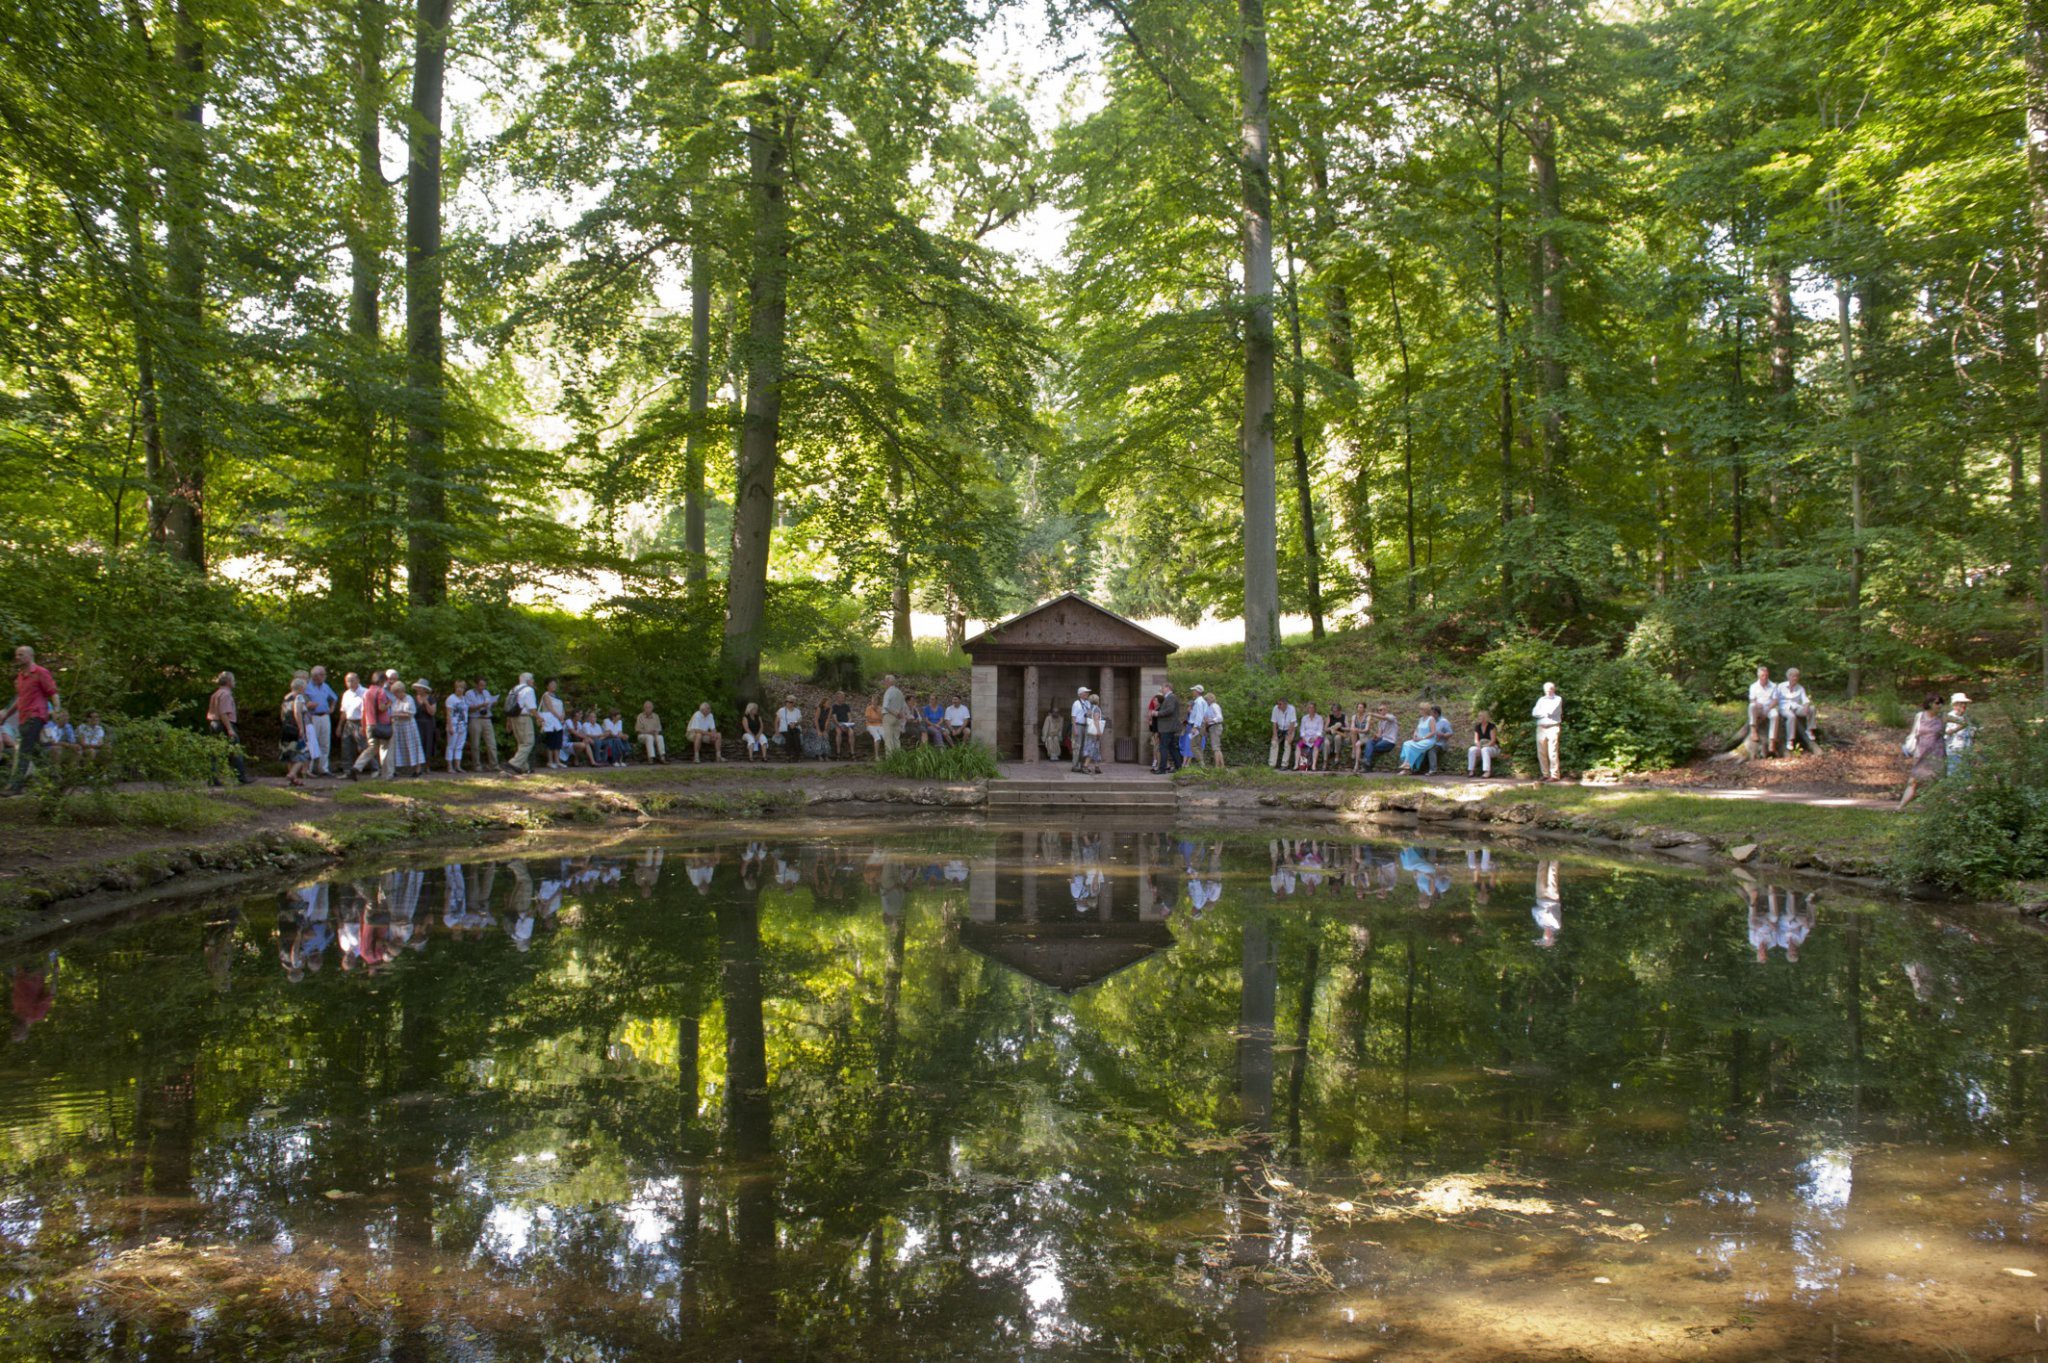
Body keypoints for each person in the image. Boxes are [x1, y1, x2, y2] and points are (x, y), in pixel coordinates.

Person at [2, 646, 57, 795]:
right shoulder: (20, 676)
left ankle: (15, 786)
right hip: (24, 718)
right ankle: (52, 782)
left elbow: (53, 692)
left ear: (30, 656)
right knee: (36, 752)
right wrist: (6, 715)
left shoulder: (40, 672)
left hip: (36, 716)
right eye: (16, 655)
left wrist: (57, 711)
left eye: (21, 654)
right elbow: (20, 700)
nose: (17, 657)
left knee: (23, 751)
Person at [1898, 692, 1947, 810]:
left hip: (1937, 755)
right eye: (1937, 703)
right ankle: (1900, 808)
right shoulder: (1920, 716)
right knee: (1913, 781)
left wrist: (1952, 731)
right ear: (1930, 703)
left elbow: (1963, 723)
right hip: (1921, 753)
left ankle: (1937, 810)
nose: (1940, 705)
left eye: (1941, 703)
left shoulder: (1943, 717)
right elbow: (1914, 733)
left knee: (1937, 783)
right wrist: (1914, 751)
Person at [206, 670, 252, 786]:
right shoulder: (226, 694)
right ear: (228, 681)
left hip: (214, 723)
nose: (234, 682)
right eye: (233, 680)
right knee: (235, 751)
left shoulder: (216, 693)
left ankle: (213, 778)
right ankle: (241, 778)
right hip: (224, 724)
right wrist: (230, 729)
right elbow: (223, 713)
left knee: (215, 752)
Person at [353, 670, 396, 779]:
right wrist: (389, 704)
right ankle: (387, 775)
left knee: (372, 748)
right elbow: (381, 708)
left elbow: (364, 711)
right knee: (385, 749)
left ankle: (357, 766)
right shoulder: (381, 692)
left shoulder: (366, 693)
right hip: (382, 725)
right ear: (382, 681)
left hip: (370, 724)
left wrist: (363, 726)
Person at [304, 665, 336, 776]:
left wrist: (331, 708)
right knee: (312, 742)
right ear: (315, 675)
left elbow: (334, 698)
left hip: (325, 716)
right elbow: (302, 702)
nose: (324, 677)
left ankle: (324, 769)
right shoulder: (307, 686)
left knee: (325, 743)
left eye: (324, 674)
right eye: (322, 674)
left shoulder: (325, 686)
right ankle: (310, 769)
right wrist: (309, 705)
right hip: (313, 716)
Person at [280, 677, 311, 787]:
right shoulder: (299, 697)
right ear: (301, 687)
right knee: (303, 754)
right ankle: (292, 774)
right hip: (295, 728)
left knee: (289, 754)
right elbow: (297, 712)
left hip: (286, 728)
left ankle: (294, 780)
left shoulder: (286, 697)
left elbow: (282, 714)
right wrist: (301, 728)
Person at [391, 679, 426, 777]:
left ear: (401, 691)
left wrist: (395, 714)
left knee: (413, 746)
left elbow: (410, 714)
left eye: (396, 693)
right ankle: (396, 769)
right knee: (398, 747)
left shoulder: (409, 698)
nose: (395, 695)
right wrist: (396, 714)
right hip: (398, 727)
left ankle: (418, 769)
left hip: (409, 726)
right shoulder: (395, 701)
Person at [505, 672, 538, 775]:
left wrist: (509, 721)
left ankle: (524, 768)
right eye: (532, 679)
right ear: (528, 680)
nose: (533, 681)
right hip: (524, 718)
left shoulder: (513, 689)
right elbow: (531, 707)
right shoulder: (529, 690)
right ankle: (514, 763)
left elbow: (509, 706)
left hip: (514, 717)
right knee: (528, 742)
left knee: (521, 743)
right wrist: (539, 718)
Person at [1531, 682, 1564, 782]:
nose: (1548, 692)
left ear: (1553, 689)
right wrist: (1543, 713)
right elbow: (1534, 713)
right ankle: (1545, 774)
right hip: (1541, 728)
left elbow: (1551, 711)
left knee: (1552, 752)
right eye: (1546, 690)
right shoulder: (1541, 699)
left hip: (1553, 727)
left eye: (1550, 690)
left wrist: (1542, 712)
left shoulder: (1558, 699)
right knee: (1541, 752)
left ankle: (1554, 775)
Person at [1777, 668, 1815, 754]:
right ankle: (1790, 740)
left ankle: (1809, 730)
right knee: (1791, 717)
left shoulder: (1800, 688)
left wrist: (1806, 706)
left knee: (1812, 708)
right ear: (1788, 676)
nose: (1795, 678)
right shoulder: (1781, 686)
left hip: (1796, 707)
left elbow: (1805, 700)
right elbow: (1775, 698)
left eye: (1797, 676)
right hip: (1784, 708)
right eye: (1793, 676)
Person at [1747, 665, 1780, 758]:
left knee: (1775, 715)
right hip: (1758, 708)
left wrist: (1768, 709)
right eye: (1763, 675)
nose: (1765, 677)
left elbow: (1775, 700)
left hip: (1769, 707)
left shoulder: (1773, 685)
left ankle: (1772, 741)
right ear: (1758, 676)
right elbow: (1752, 700)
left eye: (1766, 675)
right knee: (1751, 706)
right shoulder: (1753, 686)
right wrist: (1756, 704)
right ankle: (1753, 730)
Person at [468, 678, 501, 771]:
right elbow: (469, 708)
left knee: (492, 743)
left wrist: (493, 703)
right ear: (476, 685)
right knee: (475, 744)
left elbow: (489, 705)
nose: (482, 687)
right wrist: (481, 705)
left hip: (487, 719)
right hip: (475, 719)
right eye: (481, 685)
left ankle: (494, 764)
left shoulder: (486, 692)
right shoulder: (469, 693)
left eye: (484, 685)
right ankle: (477, 765)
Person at [336, 672, 366, 775]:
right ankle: (347, 770)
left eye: (352, 680)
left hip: (360, 722)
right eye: (347, 681)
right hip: (348, 722)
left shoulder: (364, 692)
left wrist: (364, 725)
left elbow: (365, 711)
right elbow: (343, 711)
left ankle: (374, 768)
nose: (349, 683)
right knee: (346, 746)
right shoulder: (346, 694)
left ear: (358, 680)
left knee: (363, 746)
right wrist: (340, 726)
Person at [1399, 707, 1442, 774]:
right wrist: (1414, 736)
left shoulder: (1431, 719)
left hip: (1428, 740)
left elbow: (1433, 732)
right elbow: (1417, 730)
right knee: (1406, 743)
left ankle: (1407, 767)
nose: (1420, 711)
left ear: (1425, 710)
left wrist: (1422, 738)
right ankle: (1408, 766)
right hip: (1419, 739)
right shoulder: (1421, 719)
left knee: (1411, 746)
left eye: (1421, 709)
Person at [1944, 692, 1977, 777]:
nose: (1963, 705)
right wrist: (1959, 727)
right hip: (1954, 753)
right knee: (1955, 778)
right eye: (1960, 703)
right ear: (1954, 705)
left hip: (1967, 753)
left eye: (1965, 703)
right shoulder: (1948, 717)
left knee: (1967, 778)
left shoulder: (1967, 717)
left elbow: (1973, 734)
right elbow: (1946, 733)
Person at [1359, 705, 1399, 772]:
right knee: (1369, 742)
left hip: (1390, 742)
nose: (1380, 711)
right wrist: (1376, 736)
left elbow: (1384, 718)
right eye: (1379, 710)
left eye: (1382, 709)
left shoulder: (1391, 717)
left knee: (1373, 747)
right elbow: (1379, 735)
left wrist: (1372, 714)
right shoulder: (1380, 722)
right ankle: (1367, 763)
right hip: (1382, 739)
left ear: (1386, 710)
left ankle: (1367, 764)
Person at [1531, 859, 1562, 948]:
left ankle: (1543, 855)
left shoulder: (1540, 923)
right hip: (1552, 897)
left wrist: (1544, 912)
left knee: (1540, 872)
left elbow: (1534, 910)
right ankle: (1556, 855)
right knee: (1552, 873)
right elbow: (1548, 913)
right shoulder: (1556, 925)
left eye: (1545, 937)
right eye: (1549, 937)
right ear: (1552, 936)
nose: (1547, 934)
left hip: (1540, 896)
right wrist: (1544, 912)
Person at [539, 679, 568, 770]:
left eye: (555, 684)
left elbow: (562, 708)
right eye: (551, 684)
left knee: (558, 740)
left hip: (558, 722)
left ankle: (558, 761)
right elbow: (550, 708)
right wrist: (559, 717)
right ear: (547, 686)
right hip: (551, 722)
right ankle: (550, 761)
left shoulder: (557, 696)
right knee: (551, 740)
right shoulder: (546, 696)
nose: (554, 686)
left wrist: (562, 717)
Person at [444, 679, 471, 774]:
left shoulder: (464, 699)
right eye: (458, 687)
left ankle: (458, 766)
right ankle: (449, 766)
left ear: (464, 688)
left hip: (463, 726)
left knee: (459, 746)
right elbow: (448, 714)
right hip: (454, 725)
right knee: (451, 746)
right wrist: (450, 726)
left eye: (462, 687)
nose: (459, 689)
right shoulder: (451, 698)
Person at [1156, 681, 1184, 774]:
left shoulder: (1171, 697)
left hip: (1167, 728)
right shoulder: (1169, 697)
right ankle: (1178, 767)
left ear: (1167, 688)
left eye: (1162, 688)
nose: (1161, 689)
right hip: (1169, 727)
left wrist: (1158, 713)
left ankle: (1162, 769)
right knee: (1172, 748)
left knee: (1163, 748)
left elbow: (1170, 710)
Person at [1468, 710, 1502, 777]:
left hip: (1493, 748)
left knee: (1485, 749)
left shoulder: (1491, 726)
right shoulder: (1477, 727)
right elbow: (1476, 740)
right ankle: (1471, 770)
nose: (1478, 717)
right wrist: (1478, 746)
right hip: (1482, 746)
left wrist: (1484, 746)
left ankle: (1487, 772)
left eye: (1480, 716)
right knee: (1472, 749)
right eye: (1478, 716)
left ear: (1485, 717)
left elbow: (1493, 741)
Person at [880, 675, 907, 756]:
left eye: (885, 681)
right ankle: (898, 759)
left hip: (889, 716)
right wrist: (900, 715)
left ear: (889, 682)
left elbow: (886, 706)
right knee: (896, 739)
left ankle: (890, 760)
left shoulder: (888, 691)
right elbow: (904, 707)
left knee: (888, 739)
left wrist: (895, 713)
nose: (884, 683)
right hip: (897, 719)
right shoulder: (900, 692)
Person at [1296, 703, 1326, 771]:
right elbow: (1302, 729)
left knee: (1316, 746)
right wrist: (1303, 737)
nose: (1311, 709)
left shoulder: (1319, 718)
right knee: (1298, 746)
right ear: (1307, 709)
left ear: (1315, 709)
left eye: (1312, 707)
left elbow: (1320, 730)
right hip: (1306, 737)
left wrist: (1315, 738)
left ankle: (1313, 765)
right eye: (1309, 708)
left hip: (1317, 737)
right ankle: (1296, 765)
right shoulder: (1304, 718)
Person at [1269, 698, 1298, 770]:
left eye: (1280, 704)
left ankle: (1284, 765)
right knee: (1274, 742)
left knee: (1287, 743)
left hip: (1290, 728)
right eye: (1277, 703)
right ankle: (1272, 764)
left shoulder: (1291, 709)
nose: (1278, 705)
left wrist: (1289, 735)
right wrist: (1275, 735)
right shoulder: (1275, 708)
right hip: (1280, 729)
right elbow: (1274, 723)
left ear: (1285, 704)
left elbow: (1293, 723)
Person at [775, 695, 806, 760]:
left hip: (795, 728)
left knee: (794, 734)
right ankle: (794, 755)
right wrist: (777, 731)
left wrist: (795, 723)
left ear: (794, 703)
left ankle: (791, 755)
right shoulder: (781, 710)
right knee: (792, 736)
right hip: (784, 729)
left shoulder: (797, 711)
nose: (788, 703)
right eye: (787, 701)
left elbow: (800, 720)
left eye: (790, 702)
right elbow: (776, 722)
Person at [1082, 693, 1106, 774]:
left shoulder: (1089, 709)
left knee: (1095, 748)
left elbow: (1086, 718)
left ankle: (1097, 767)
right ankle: (1085, 766)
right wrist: (1098, 731)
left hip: (1089, 731)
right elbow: (1096, 720)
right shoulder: (1096, 709)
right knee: (1092, 748)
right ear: (1097, 701)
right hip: (1094, 732)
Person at [1071, 687, 1092, 773]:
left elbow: (1089, 714)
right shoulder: (1076, 703)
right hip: (1078, 726)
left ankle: (1082, 765)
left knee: (1084, 747)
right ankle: (1075, 766)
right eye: (1085, 692)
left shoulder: (1088, 703)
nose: (1087, 694)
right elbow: (1073, 717)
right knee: (1077, 746)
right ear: (1080, 694)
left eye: (1087, 692)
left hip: (1086, 725)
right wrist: (1075, 728)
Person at [832, 691, 858, 757]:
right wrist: (840, 726)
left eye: (843, 697)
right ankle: (838, 752)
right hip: (838, 723)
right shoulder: (834, 706)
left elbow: (850, 717)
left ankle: (852, 752)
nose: (842, 698)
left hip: (846, 723)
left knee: (851, 733)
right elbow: (834, 719)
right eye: (841, 697)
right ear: (837, 698)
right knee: (838, 733)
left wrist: (847, 724)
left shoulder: (846, 706)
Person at [1204, 691, 1225, 768]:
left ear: (1211, 699)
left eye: (1207, 699)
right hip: (1212, 727)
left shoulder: (1214, 706)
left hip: (1215, 726)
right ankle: (1221, 766)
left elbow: (1220, 717)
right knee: (1216, 747)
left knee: (1215, 747)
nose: (1206, 701)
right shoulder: (1209, 707)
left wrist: (1211, 720)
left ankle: (1217, 766)